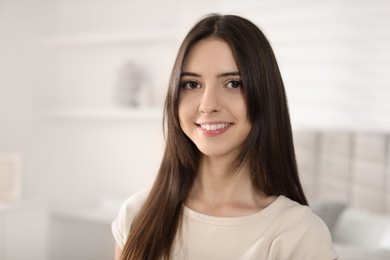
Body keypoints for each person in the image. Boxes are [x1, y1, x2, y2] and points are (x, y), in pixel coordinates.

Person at [112, 13, 338, 260]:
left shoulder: (299, 234)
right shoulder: (137, 215)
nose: (208, 105)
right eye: (192, 84)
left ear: (265, 95)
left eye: (233, 83)